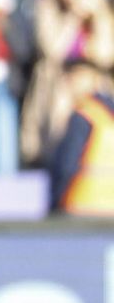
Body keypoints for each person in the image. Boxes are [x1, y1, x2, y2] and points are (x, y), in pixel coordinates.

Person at [50, 63, 114, 216]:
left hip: (82, 203)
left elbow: (66, 165)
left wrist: (54, 202)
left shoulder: (83, 115)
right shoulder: (107, 113)